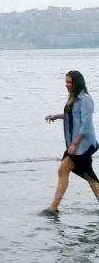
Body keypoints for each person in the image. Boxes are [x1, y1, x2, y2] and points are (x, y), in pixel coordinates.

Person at [44, 70, 99, 215]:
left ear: (77, 83)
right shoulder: (73, 97)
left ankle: (53, 208)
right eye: (66, 82)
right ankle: (53, 208)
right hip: (76, 145)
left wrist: (75, 144)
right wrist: (56, 116)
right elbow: (72, 115)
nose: (66, 85)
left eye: (69, 82)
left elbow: (85, 125)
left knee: (64, 170)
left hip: (83, 146)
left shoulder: (85, 99)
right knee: (89, 176)